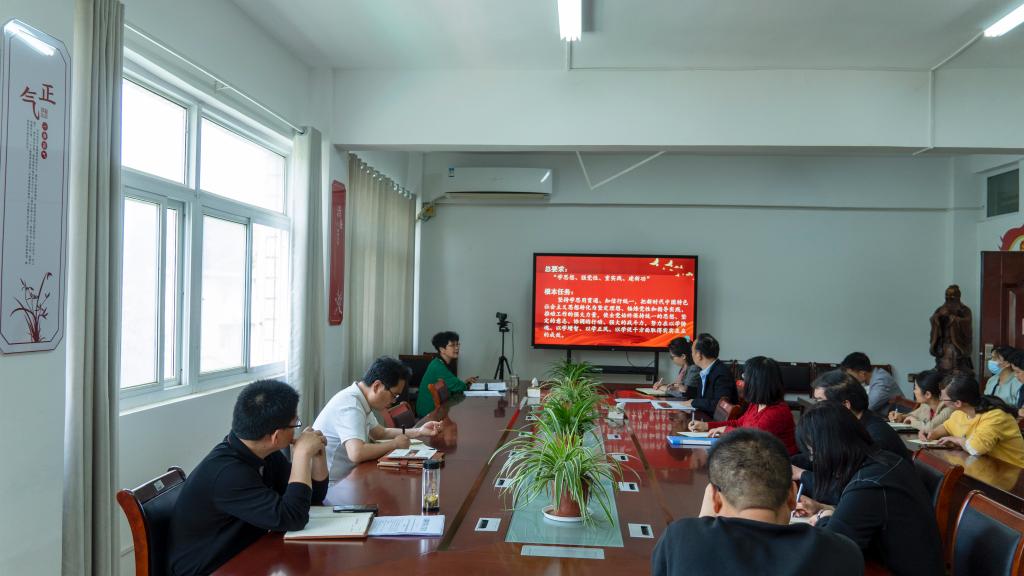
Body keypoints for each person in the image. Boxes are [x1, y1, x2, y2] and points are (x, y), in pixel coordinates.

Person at [168, 380, 330, 576]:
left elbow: (311, 497)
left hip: (244, 556)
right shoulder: (228, 474)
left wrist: (317, 454)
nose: (297, 429)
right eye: (295, 423)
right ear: (276, 436)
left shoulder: (262, 453)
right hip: (210, 569)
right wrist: (302, 455)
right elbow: (293, 518)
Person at [651, 429, 863, 576]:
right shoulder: (842, 552)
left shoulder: (679, 538)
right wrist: (825, 518)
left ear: (714, 499)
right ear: (792, 495)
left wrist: (702, 524)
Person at [794, 403, 943, 576]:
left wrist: (824, 517)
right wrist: (825, 508)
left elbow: (831, 554)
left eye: (813, 453)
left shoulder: (869, 483)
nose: (814, 460)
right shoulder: (883, 459)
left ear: (830, 447)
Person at [315, 356, 443, 481]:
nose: (393, 401)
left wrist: (419, 431)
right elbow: (356, 453)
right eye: (394, 395)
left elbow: (380, 433)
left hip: (350, 476)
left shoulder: (360, 398)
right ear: (377, 386)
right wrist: (395, 444)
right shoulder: (351, 405)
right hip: (333, 484)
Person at [688, 356, 798, 455]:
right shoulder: (756, 404)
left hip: (776, 465)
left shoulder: (777, 412)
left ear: (757, 382)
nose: (743, 381)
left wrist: (725, 430)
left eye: (745, 376)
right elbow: (739, 423)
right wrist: (707, 426)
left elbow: (750, 440)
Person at [924, 372, 1024, 467]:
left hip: (1013, 471)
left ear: (958, 403)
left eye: (943, 399)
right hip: (985, 466)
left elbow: (976, 449)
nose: (942, 401)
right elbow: (947, 427)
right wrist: (932, 433)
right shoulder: (960, 413)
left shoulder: (995, 416)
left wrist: (957, 440)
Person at [416, 330, 479, 416]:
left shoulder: (439, 362)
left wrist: (464, 383)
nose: (457, 348)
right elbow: (458, 386)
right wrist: (465, 384)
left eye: (457, 344)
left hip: (438, 409)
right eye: (452, 345)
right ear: (442, 349)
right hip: (429, 412)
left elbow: (453, 384)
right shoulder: (438, 366)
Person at [680, 333, 737, 414]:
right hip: (703, 417)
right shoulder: (706, 370)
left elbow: (719, 405)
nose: (691, 355)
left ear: (699, 355)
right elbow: (703, 397)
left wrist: (694, 402)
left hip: (714, 420)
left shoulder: (721, 373)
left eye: (692, 352)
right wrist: (686, 390)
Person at [888, 369, 953, 435]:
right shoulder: (926, 406)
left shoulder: (948, 408)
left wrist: (912, 421)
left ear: (927, 394)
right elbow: (912, 415)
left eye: (916, 388)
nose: (914, 391)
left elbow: (929, 428)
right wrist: (900, 417)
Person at [840, 351, 902, 417]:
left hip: (901, 420)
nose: (849, 379)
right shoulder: (865, 382)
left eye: (850, 376)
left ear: (862, 374)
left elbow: (866, 408)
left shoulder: (881, 380)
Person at [929, 284, 973, 371]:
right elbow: (933, 319)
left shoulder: (965, 310)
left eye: (952, 295)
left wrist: (953, 318)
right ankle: (939, 367)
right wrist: (938, 316)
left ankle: (958, 368)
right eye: (947, 295)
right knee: (941, 354)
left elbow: (967, 321)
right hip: (943, 341)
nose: (949, 297)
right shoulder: (940, 309)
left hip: (956, 342)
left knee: (956, 355)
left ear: (958, 296)